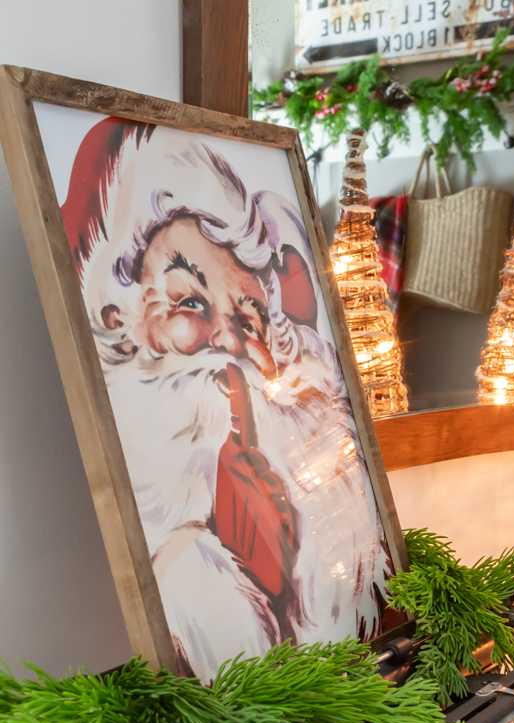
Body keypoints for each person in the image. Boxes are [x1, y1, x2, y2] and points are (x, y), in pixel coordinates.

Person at [60, 117, 393, 681]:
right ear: (122, 318)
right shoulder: (162, 459)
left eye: (246, 314)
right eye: (188, 301)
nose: (228, 341)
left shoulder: (292, 432)